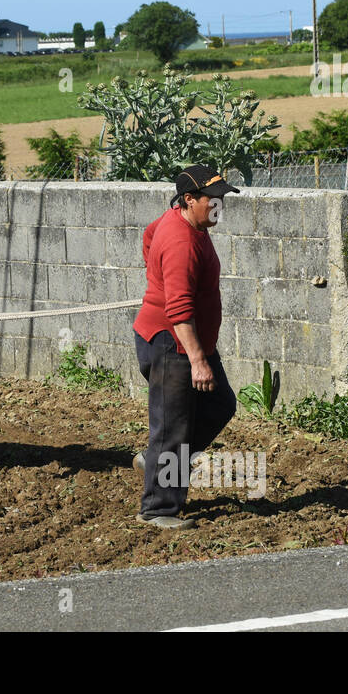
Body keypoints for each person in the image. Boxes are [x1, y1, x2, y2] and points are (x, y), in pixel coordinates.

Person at [132, 163, 239, 529]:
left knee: (220, 404)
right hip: (171, 345)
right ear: (189, 199)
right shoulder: (180, 242)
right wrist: (198, 360)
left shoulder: (183, 221)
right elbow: (178, 310)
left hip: (187, 343)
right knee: (173, 427)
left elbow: (148, 236)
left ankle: (157, 461)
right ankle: (158, 509)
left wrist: (154, 275)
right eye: (212, 200)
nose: (218, 207)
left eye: (221, 200)